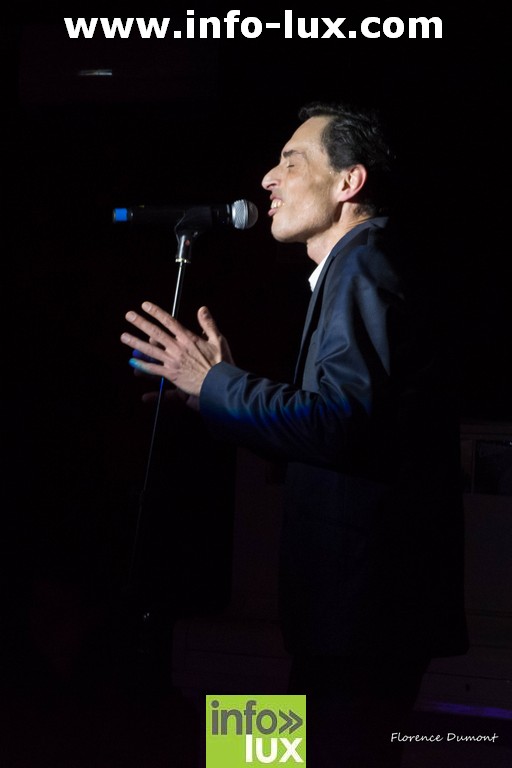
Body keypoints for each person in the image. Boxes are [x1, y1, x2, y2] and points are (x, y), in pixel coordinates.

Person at [120, 101, 469, 767]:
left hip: (361, 616)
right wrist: (214, 396)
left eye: (291, 160)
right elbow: (338, 430)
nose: (268, 179)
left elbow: (336, 422)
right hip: (349, 616)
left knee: (282, 751)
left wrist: (218, 384)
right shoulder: (354, 266)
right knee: (261, 749)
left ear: (348, 182)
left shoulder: (365, 263)